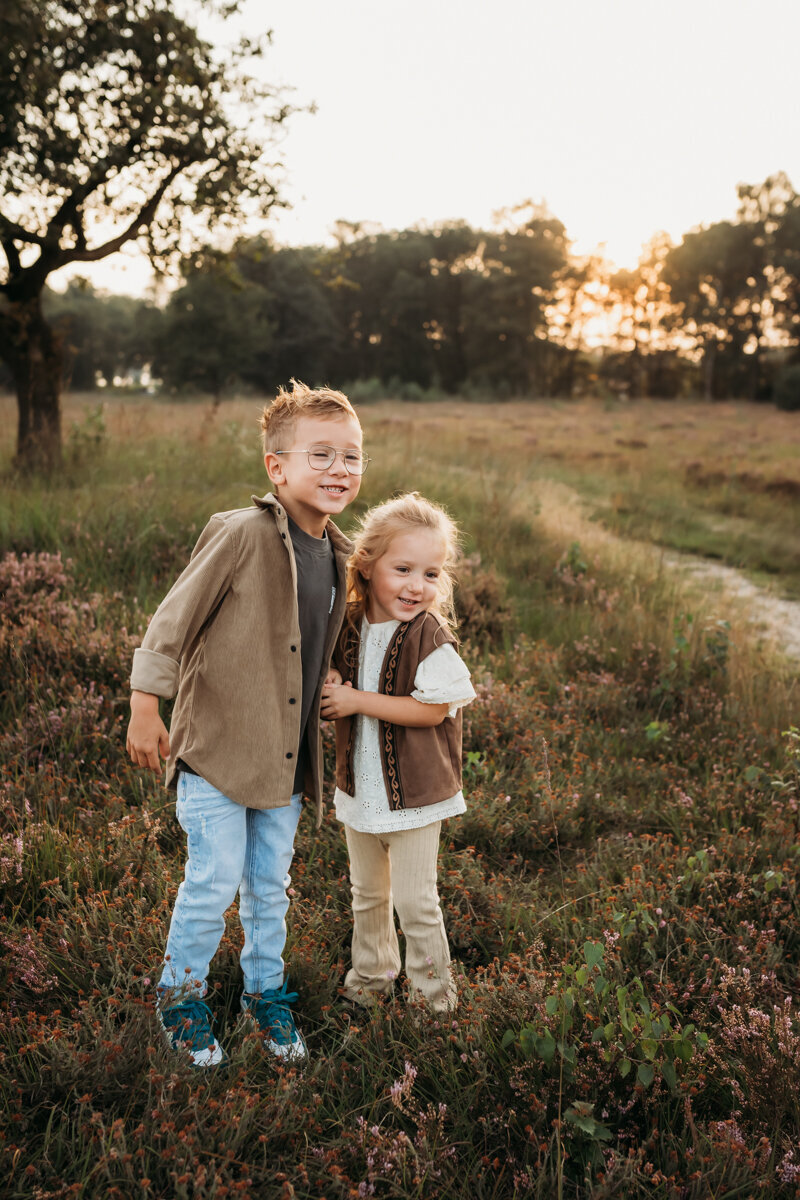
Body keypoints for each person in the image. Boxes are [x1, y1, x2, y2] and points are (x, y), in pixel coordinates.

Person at [126, 380, 366, 1067]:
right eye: (319, 455)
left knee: (269, 887)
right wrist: (147, 703)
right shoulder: (240, 533)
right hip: (218, 754)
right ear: (277, 467)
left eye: (351, 457)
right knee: (213, 879)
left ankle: (266, 995)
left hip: (285, 764)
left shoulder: (341, 554)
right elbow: (173, 620)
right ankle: (180, 996)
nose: (338, 470)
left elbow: (314, 640)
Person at [320, 492, 476, 1013]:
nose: (417, 586)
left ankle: (436, 1002)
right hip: (363, 787)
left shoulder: (429, 636)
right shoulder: (351, 622)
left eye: (431, 574)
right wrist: (335, 678)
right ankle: (370, 980)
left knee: (415, 902)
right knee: (367, 895)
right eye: (403, 568)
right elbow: (336, 668)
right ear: (367, 565)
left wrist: (354, 699)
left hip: (415, 794)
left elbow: (433, 711)